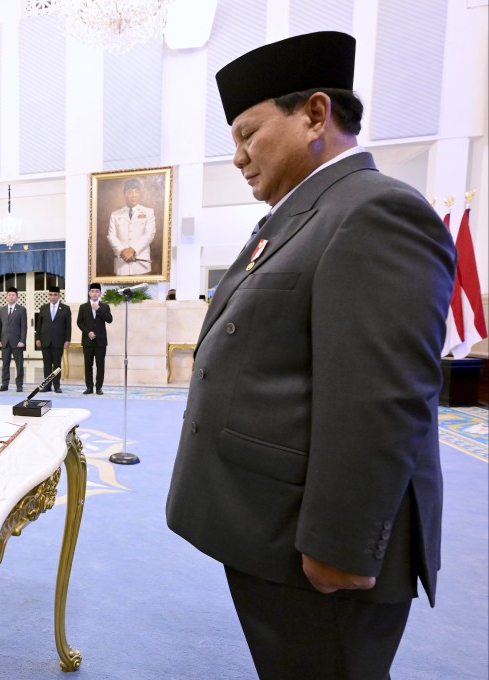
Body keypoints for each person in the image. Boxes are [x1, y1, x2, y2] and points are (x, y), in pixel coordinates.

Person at [165, 32, 455, 680]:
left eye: (248, 134)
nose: (238, 157)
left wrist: (340, 545)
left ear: (316, 115)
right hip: (272, 531)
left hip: (318, 551)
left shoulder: (375, 211)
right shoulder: (306, 212)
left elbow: (379, 398)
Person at [107, 178, 156, 276]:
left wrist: (133, 250)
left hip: (141, 265)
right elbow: (111, 236)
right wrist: (122, 252)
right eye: (130, 192)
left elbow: (149, 234)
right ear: (124, 194)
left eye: (136, 192)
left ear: (140, 194)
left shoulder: (148, 212)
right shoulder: (115, 214)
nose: (133, 195)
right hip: (121, 266)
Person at [76, 283, 112, 395]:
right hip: (87, 341)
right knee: (88, 365)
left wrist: (98, 309)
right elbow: (79, 322)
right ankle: (89, 387)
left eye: (97, 291)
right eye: (92, 291)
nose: (94, 293)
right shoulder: (83, 307)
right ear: (89, 293)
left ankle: (99, 387)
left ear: (100, 293)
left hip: (101, 341)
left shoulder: (105, 306)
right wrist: (88, 332)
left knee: (100, 365)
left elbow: (109, 319)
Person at [34, 285, 71, 393]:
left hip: (58, 341)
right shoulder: (43, 308)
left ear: (59, 296)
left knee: (57, 365)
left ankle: (56, 386)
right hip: (45, 341)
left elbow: (68, 326)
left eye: (55, 295)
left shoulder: (65, 309)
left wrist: (67, 340)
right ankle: (47, 386)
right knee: (47, 365)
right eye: (50, 294)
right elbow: (39, 325)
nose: (53, 297)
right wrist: (37, 338)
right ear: (48, 295)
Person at [0, 286, 26, 392]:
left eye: (13, 295)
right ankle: (4, 384)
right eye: (9, 295)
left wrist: (22, 341)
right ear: (6, 296)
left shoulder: (21, 310)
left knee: (19, 365)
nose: (11, 297)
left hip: (17, 342)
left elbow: (24, 327)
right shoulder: (2, 310)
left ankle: (19, 385)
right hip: (5, 342)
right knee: (5, 364)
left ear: (17, 297)